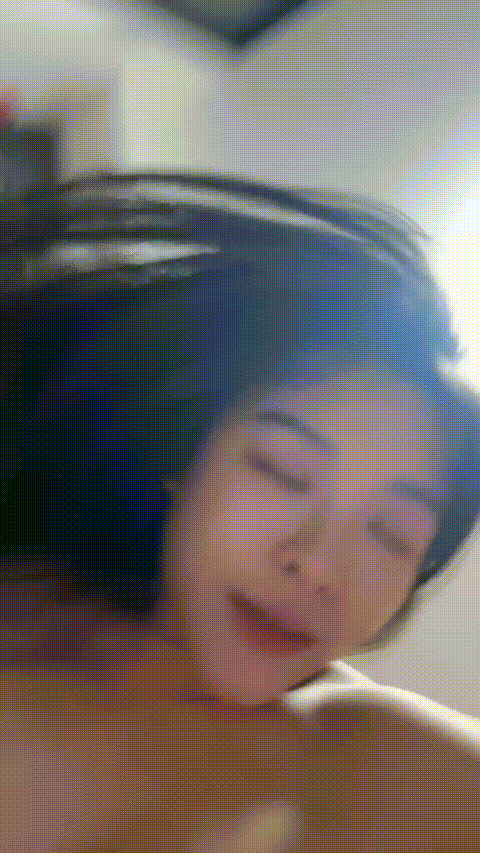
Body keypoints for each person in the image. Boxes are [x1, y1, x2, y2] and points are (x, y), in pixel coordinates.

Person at [1, 172, 479, 852]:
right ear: (182, 455)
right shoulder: (25, 611)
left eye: (389, 534)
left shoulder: (380, 759)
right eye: (283, 471)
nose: (319, 565)